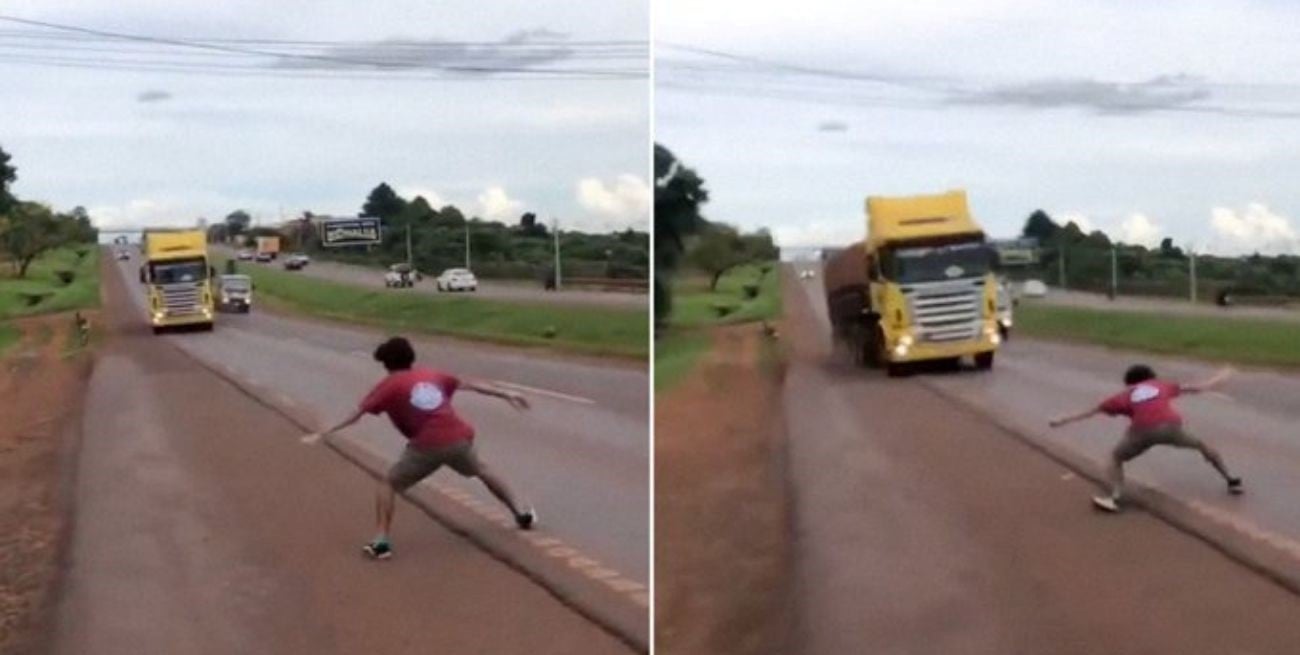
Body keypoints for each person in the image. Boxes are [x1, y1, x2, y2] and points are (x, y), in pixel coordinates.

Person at [308, 336, 536, 559]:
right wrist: (508, 394)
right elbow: (472, 385)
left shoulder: (387, 386)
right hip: (458, 437)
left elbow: (356, 414)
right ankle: (520, 513)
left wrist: (323, 432)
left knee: (388, 484)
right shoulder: (431, 374)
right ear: (411, 357)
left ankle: (381, 541)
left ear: (386, 364)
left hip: (426, 445)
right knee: (482, 470)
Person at [1049, 364, 1242, 513]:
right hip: (1170, 426)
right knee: (1203, 446)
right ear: (1150, 377)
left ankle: (1115, 497)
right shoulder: (1161, 385)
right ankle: (1231, 480)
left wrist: (1062, 420)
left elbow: (1091, 411)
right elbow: (1199, 388)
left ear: (1130, 382)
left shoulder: (1124, 395)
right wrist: (1223, 376)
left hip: (1141, 431)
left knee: (1115, 458)